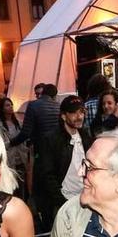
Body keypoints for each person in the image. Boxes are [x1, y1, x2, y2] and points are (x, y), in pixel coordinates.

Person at [35, 96, 93, 229]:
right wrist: (61, 201)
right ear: (63, 116)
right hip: (64, 201)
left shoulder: (85, 136)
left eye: (81, 112)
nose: (79, 116)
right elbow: (47, 174)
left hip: (85, 198)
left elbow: (87, 164)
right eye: (74, 112)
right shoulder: (51, 140)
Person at [9, 84, 60, 155]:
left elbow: (26, 132)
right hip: (56, 147)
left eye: (39, 93)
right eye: (36, 94)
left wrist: (12, 143)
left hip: (41, 147)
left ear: (43, 92)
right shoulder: (59, 106)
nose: (38, 96)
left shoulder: (33, 105)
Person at [0, 97, 27, 194]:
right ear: (2, 108)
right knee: (12, 188)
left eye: (11, 104)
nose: (11, 107)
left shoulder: (18, 123)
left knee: (22, 188)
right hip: (9, 161)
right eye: (7, 105)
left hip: (21, 159)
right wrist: (11, 142)